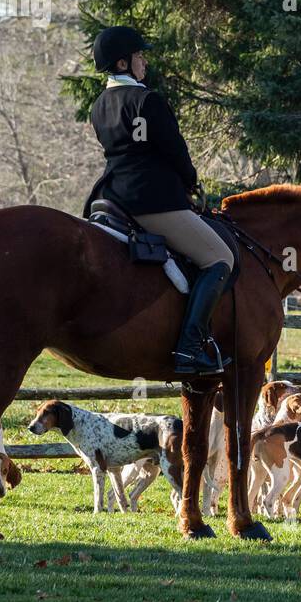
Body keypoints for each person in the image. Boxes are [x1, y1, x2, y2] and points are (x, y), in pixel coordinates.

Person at [84, 26, 236, 377]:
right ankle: (190, 348)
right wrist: (190, 182)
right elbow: (176, 153)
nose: (144, 62)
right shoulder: (146, 100)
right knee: (220, 258)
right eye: (139, 56)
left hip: (109, 197)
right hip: (152, 201)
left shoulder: (99, 105)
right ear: (123, 62)